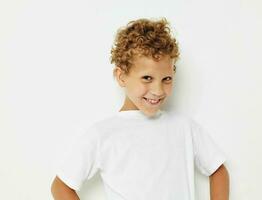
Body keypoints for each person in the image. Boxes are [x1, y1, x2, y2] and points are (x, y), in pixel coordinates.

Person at [51, 17, 230, 200]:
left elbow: (218, 170)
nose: (158, 90)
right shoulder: (102, 135)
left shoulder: (184, 127)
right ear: (121, 77)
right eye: (147, 78)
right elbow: (61, 186)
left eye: (166, 79)